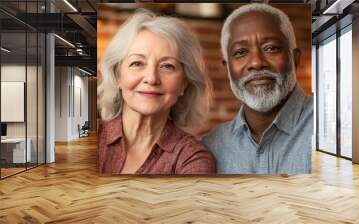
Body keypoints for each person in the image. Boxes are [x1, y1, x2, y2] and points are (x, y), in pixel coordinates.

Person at [97, 10, 216, 174]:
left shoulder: (192, 158)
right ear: (118, 75)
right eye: (137, 63)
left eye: (167, 66)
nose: (151, 78)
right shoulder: (89, 137)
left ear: (184, 83)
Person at [202, 3, 313, 174]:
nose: (256, 63)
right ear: (227, 68)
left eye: (271, 48)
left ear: (295, 59)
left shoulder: (332, 126)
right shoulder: (212, 147)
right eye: (240, 52)